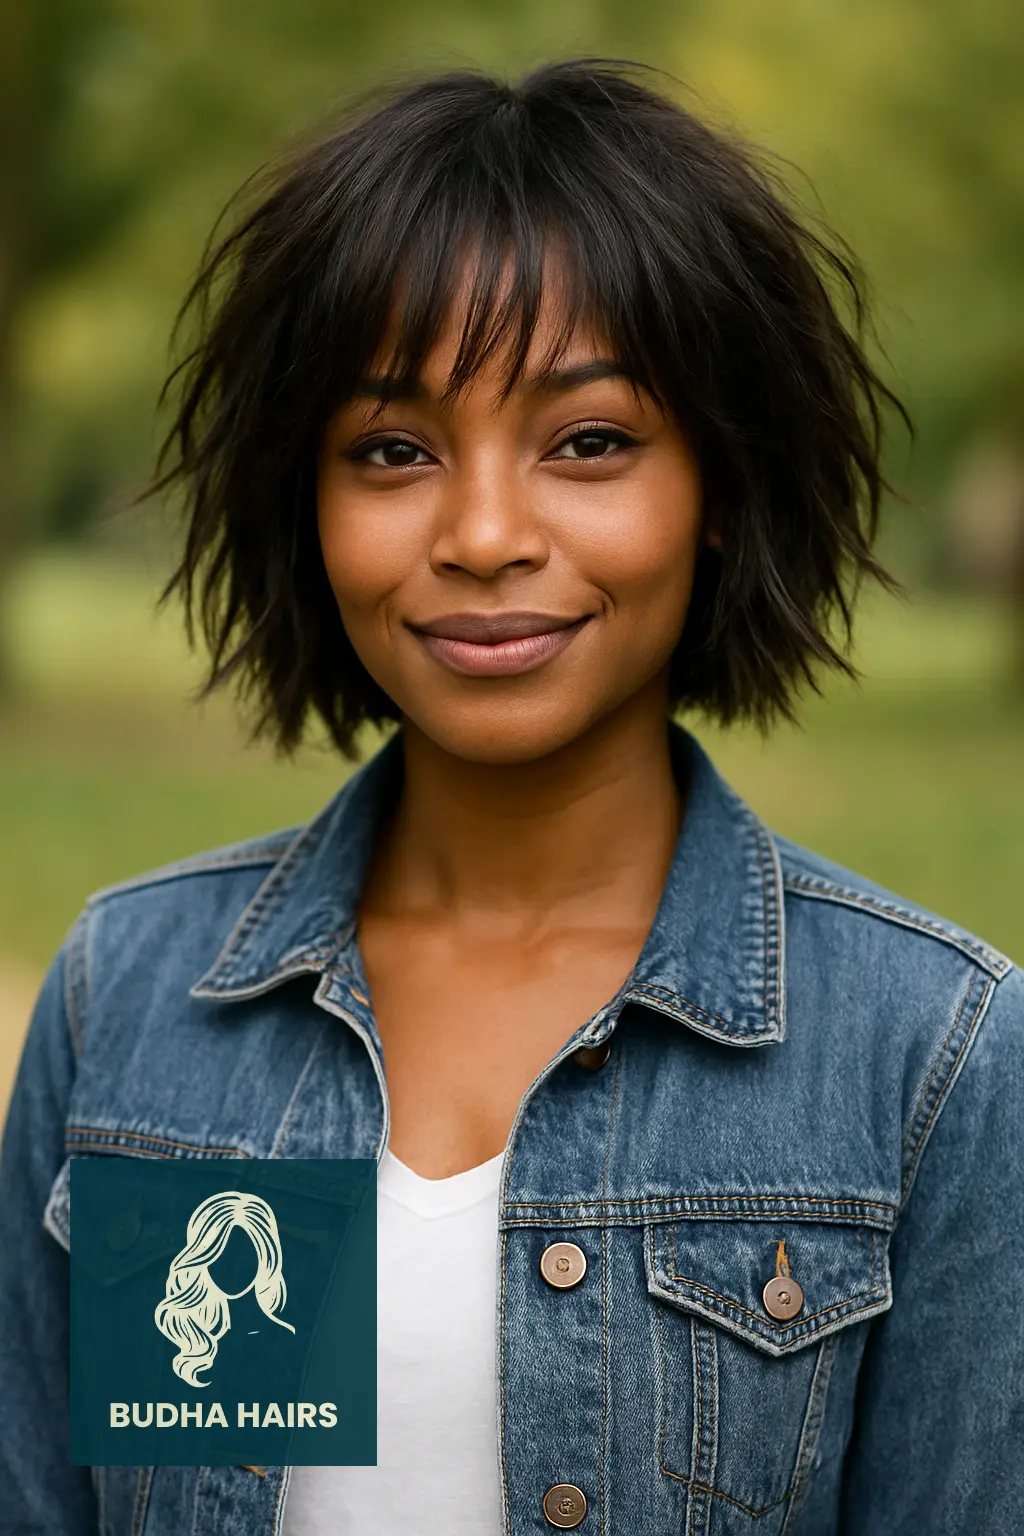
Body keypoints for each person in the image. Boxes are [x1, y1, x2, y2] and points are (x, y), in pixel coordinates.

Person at [1, 56, 1021, 1536]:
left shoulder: (934, 1056)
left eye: (589, 441)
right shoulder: (131, 999)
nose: (483, 533)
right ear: (307, 499)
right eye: (392, 450)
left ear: (719, 484)